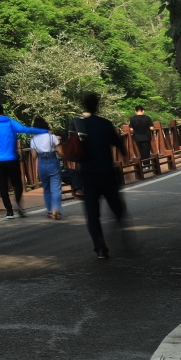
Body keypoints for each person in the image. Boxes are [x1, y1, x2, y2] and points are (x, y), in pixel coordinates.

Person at [70, 92, 128, 258]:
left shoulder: (80, 126)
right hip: (106, 172)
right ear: (98, 105)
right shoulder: (105, 124)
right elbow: (119, 144)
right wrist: (123, 156)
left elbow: (72, 147)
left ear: (84, 106)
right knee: (117, 207)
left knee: (92, 213)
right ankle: (121, 234)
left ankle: (100, 247)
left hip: (88, 174)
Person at [0, 103, 40, 216]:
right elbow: (24, 129)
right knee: (18, 184)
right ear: (3, 111)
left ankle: (9, 210)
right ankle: (18, 202)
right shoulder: (11, 123)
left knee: (2, 186)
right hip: (12, 159)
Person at [29, 116, 63, 219]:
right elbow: (60, 152)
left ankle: (49, 211)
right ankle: (55, 209)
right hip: (53, 161)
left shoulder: (33, 140)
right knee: (56, 188)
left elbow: (34, 156)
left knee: (46, 189)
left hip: (42, 163)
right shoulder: (51, 137)